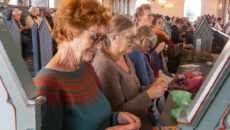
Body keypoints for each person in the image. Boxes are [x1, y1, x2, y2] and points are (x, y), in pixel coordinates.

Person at [33, 1, 141, 130]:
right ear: (70, 33)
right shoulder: (47, 84)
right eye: (94, 37)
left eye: (101, 38)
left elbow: (95, 119)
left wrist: (117, 117)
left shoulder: (86, 69)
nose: (99, 46)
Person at [92, 15, 168, 130]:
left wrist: (152, 86)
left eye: (135, 37)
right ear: (114, 37)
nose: (134, 42)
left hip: (141, 121)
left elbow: (134, 90)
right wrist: (149, 95)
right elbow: (116, 112)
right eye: (130, 38)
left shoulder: (124, 56)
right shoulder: (105, 65)